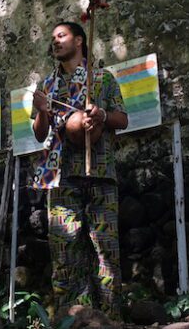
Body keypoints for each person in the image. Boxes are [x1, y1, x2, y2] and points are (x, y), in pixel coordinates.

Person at [30, 21, 128, 318]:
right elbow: (38, 133)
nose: (55, 42)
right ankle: (72, 318)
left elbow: (122, 120)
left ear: (80, 41)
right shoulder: (46, 85)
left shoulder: (102, 79)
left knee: (105, 248)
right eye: (53, 38)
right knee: (64, 250)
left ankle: (110, 318)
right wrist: (42, 111)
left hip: (99, 172)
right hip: (59, 175)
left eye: (62, 36)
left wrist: (101, 114)